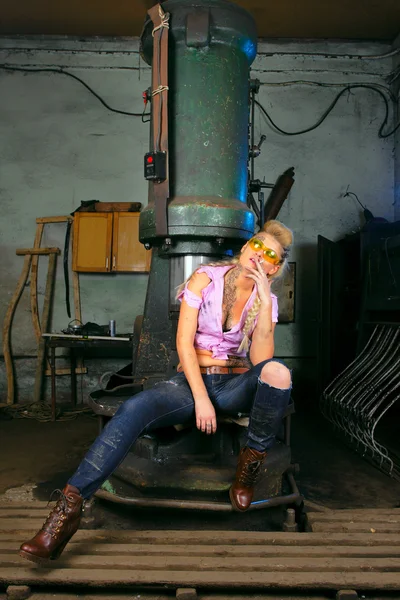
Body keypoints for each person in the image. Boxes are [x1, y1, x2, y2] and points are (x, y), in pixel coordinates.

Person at [19, 219, 293, 564]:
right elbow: (183, 342)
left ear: (274, 267)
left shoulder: (264, 298)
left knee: (279, 372)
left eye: (270, 254)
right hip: (192, 380)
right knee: (133, 409)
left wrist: (266, 305)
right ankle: (67, 511)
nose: (259, 255)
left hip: (235, 384)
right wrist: (201, 399)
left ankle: (248, 469)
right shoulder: (205, 279)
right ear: (245, 247)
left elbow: (260, 362)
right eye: (258, 245)